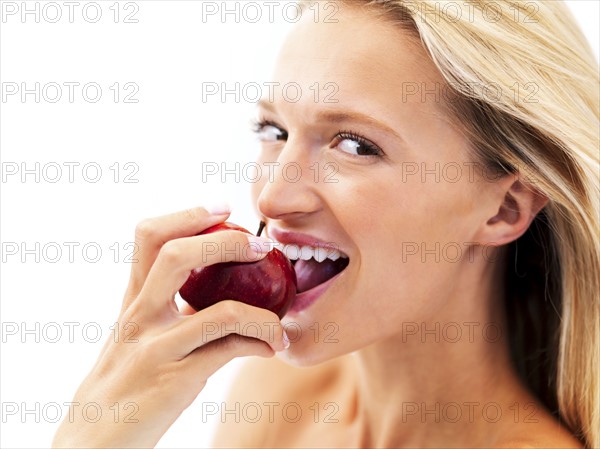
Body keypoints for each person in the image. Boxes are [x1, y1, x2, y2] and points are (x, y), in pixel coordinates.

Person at [53, 1, 599, 447]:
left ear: (506, 208)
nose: (272, 196)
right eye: (274, 131)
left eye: (355, 145)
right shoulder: (275, 398)